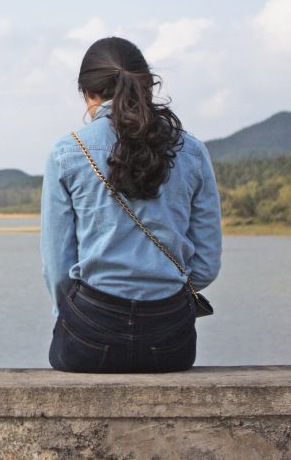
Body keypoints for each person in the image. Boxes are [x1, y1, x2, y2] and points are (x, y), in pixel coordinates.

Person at [40, 36, 222, 373]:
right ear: (146, 88)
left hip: (90, 335)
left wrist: (74, 315)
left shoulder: (67, 152)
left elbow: (57, 266)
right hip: (171, 342)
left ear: (87, 93)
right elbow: (207, 264)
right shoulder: (193, 152)